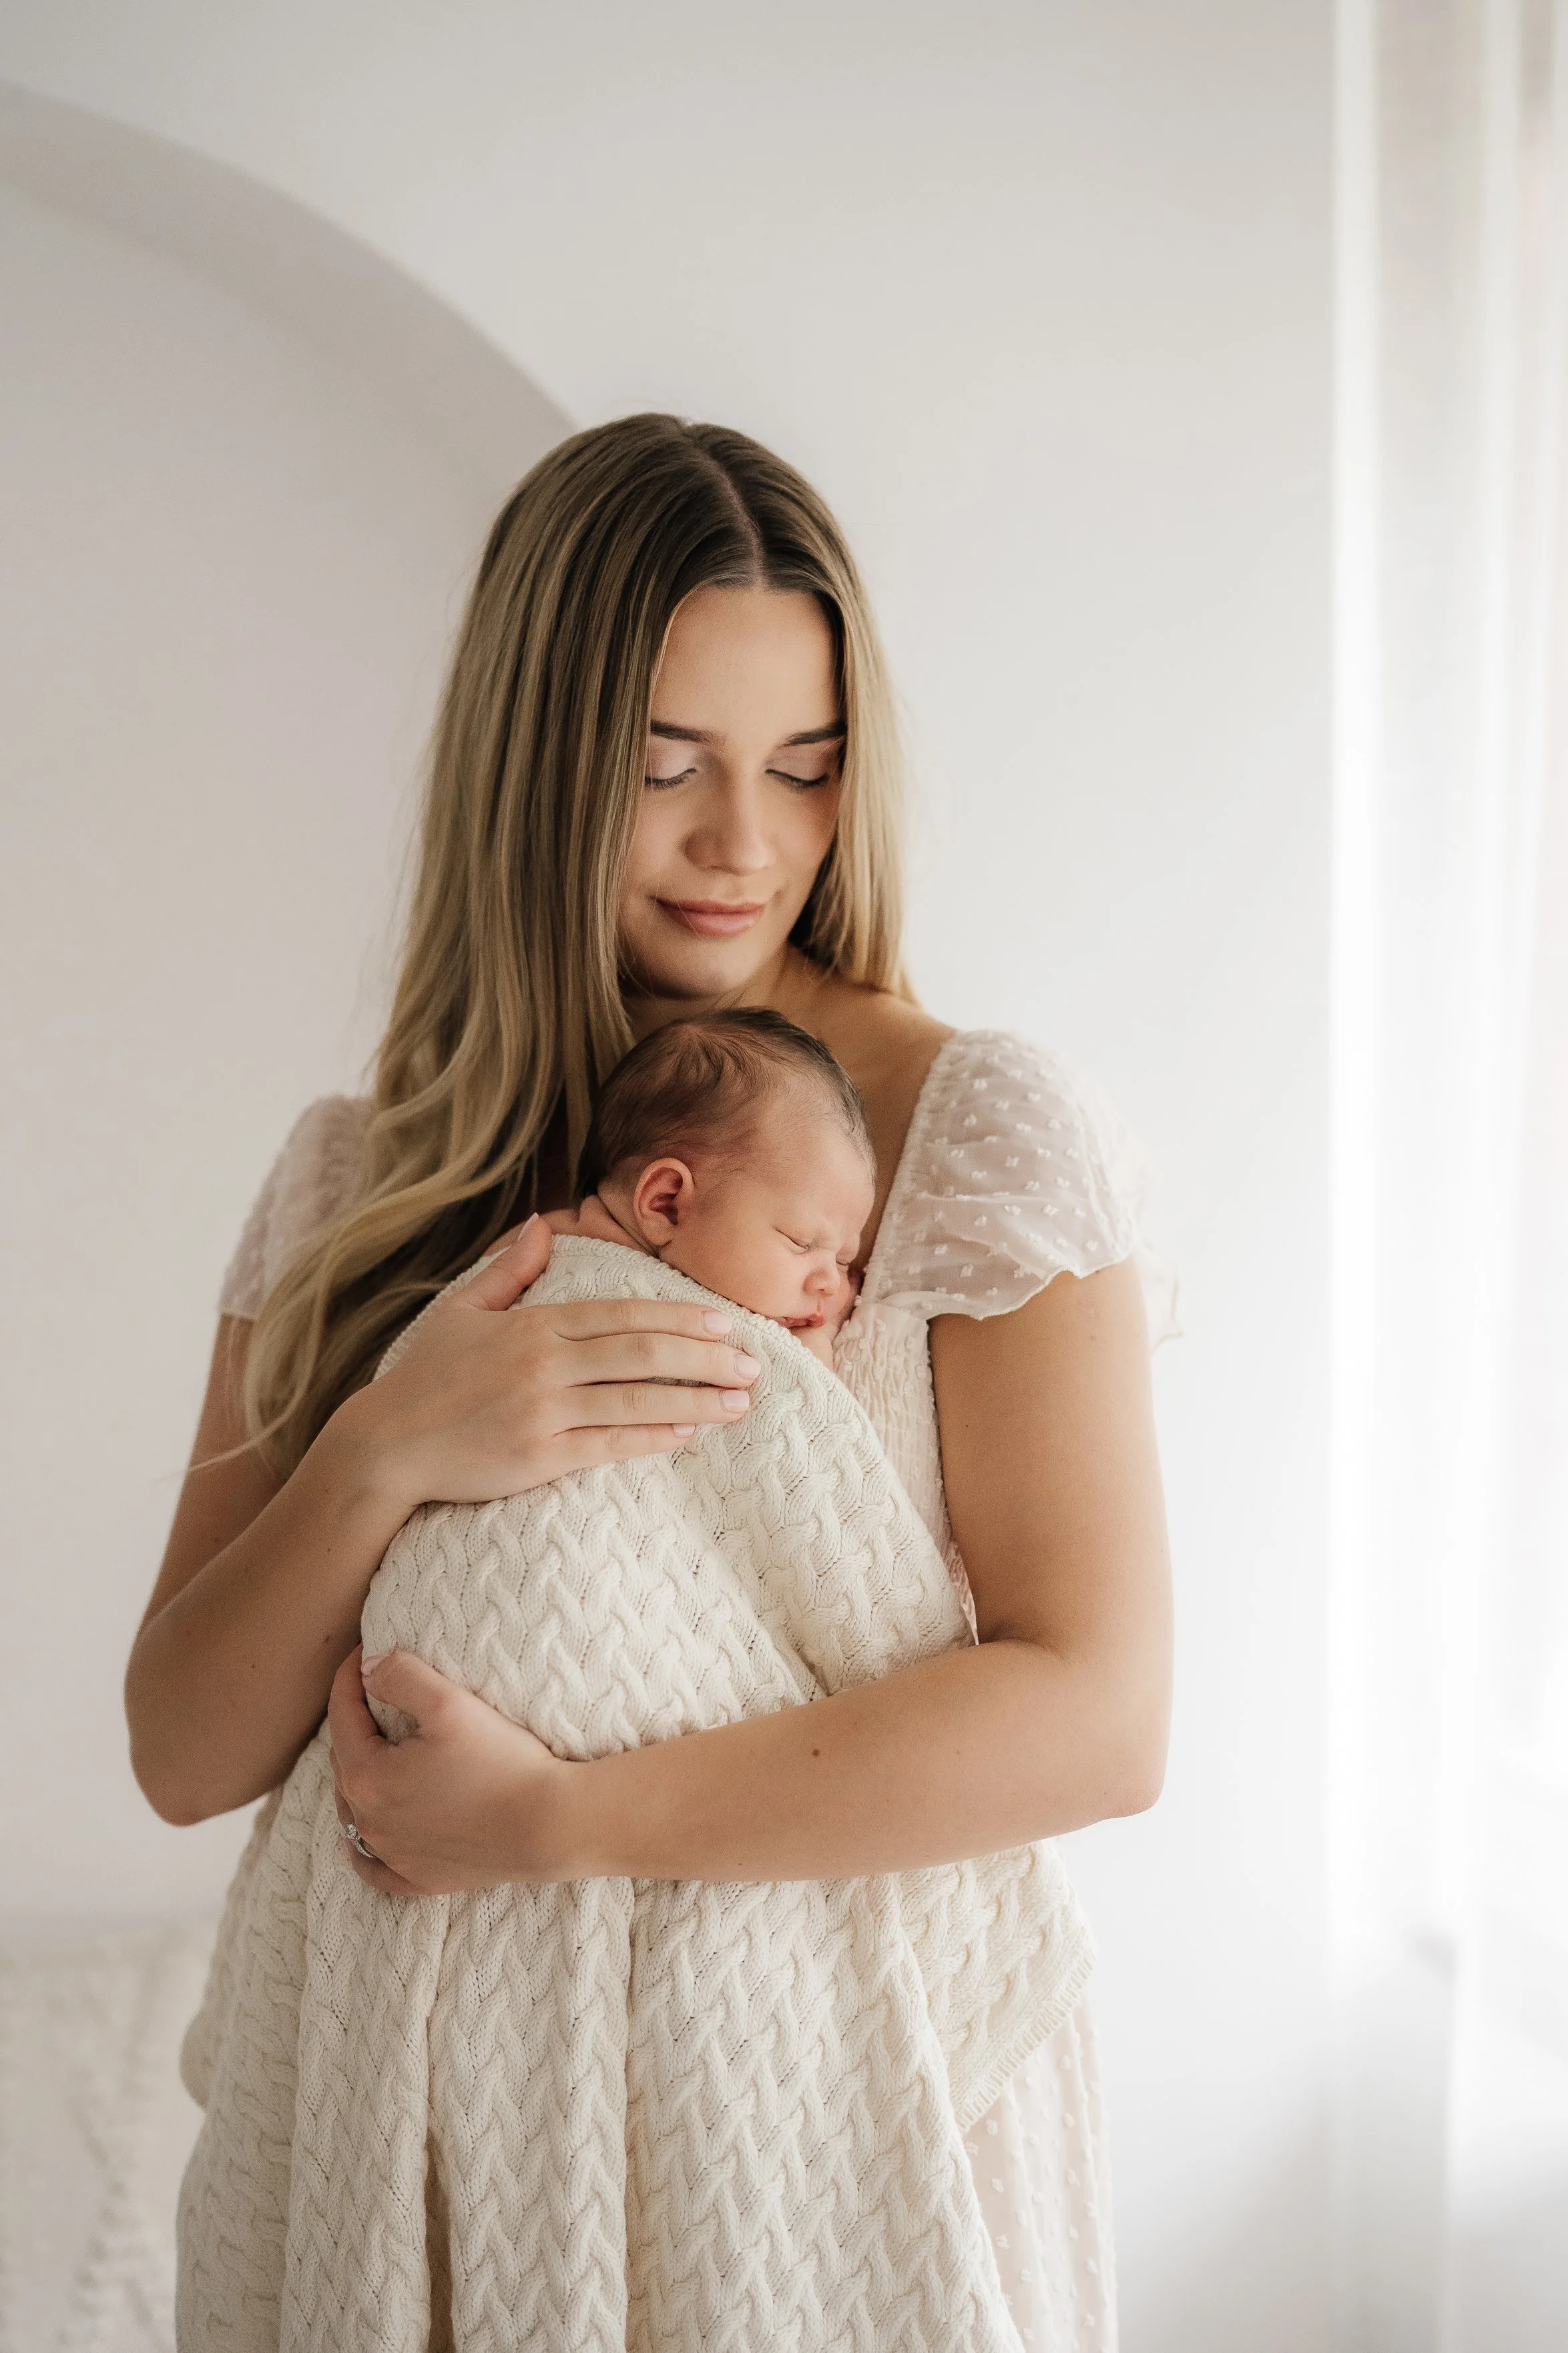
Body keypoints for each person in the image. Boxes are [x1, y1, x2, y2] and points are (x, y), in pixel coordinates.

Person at [127, 412, 1175, 2352]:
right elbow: (186, 1748)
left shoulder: (966, 1127)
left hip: (833, 2131)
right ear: (534, 766)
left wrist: (563, 1825)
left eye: (806, 765)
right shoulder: (367, 1173)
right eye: (665, 763)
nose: (744, 843)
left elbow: (1097, 1718)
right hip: (426, 2130)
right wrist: (386, 1450)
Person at [547, 1006, 873, 1367]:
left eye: (844, 1261)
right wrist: (814, 1354)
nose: (830, 1283)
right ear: (666, 1204)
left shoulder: (526, 1252)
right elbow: (812, 1420)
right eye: (800, 1241)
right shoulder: (710, 1329)